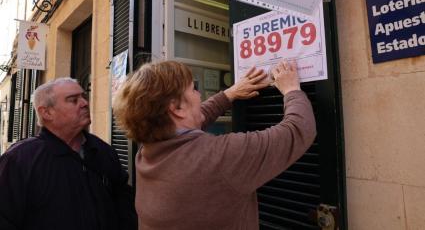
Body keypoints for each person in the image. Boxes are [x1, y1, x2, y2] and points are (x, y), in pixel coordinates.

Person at [113, 60, 316, 230]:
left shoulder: (147, 152)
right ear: (176, 108)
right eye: (194, 89)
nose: (199, 95)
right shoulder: (219, 157)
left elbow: (193, 118)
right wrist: (291, 90)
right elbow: (298, 130)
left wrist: (229, 95)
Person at [0, 78, 137, 230]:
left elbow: (125, 206)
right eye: (73, 100)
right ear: (46, 112)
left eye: (83, 97)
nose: (85, 103)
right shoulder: (19, 160)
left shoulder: (103, 151)